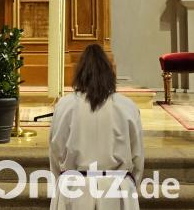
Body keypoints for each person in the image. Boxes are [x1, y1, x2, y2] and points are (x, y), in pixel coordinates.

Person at [49, 44, 143, 209]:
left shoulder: (65, 106)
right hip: (116, 189)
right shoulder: (127, 106)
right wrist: (130, 185)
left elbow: (56, 152)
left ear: (80, 73)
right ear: (109, 73)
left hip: (74, 189)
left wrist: (61, 181)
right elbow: (137, 156)